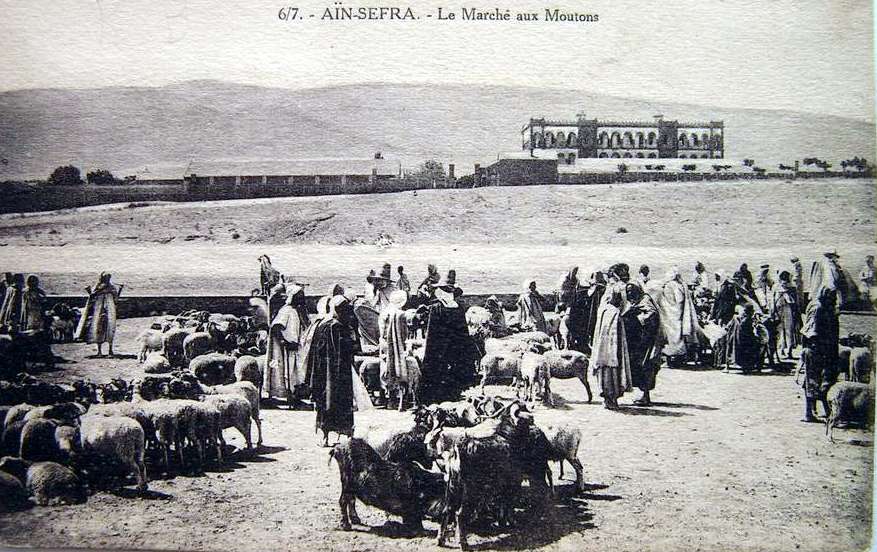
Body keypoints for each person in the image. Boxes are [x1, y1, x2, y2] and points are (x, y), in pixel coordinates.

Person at [415, 270, 476, 405]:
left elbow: (432, 335)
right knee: (453, 371)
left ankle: (434, 397)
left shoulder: (437, 308)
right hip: (456, 349)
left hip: (439, 349)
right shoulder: (459, 308)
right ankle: (453, 394)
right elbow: (464, 334)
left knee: (436, 371)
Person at [306, 295, 358, 447]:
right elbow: (345, 349)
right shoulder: (337, 327)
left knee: (327, 402)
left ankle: (326, 436)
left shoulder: (323, 324)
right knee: (339, 401)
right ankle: (345, 434)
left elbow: (316, 351)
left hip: (325, 373)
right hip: (338, 373)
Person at [800, 286, 839, 422]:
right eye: (832, 298)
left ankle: (815, 412)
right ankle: (810, 413)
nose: (834, 301)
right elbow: (811, 332)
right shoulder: (819, 309)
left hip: (818, 350)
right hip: (816, 350)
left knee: (815, 381)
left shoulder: (824, 308)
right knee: (814, 382)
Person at [266, 283, 311, 405]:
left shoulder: (297, 311)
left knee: (295, 373)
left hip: (295, 348)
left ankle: (295, 396)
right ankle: (289, 397)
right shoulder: (286, 311)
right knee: (288, 373)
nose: (302, 298)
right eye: (299, 296)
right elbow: (276, 328)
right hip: (287, 348)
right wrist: (284, 342)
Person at [589, 289, 631, 410]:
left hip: (603, 349)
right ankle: (611, 400)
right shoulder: (614, 312)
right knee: (612, 376)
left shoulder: (602, 310)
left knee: (605, 375)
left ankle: (608, 399)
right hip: (613, 349)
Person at [623, 283, 662, 406]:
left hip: (647, 341)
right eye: (627, 291)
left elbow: (652, 315)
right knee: (640, 368)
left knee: (646, 367)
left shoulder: (645, 300)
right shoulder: (637, 301)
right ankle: (644, 395)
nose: (629, 294)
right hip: (639, 341)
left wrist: (639, 318)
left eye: (631, 290)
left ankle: (645, 396)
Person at [656, 267, 699, 364]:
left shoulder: (670, 285)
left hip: (671, 314)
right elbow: (680, 300)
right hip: (676, 313)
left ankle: (672, 357)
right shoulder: (679, 285)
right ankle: (677, 356)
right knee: (676, 336)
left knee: (671, 336)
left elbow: (676, 300)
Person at [75, 272, 122, 357]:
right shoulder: (97, 287)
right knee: (98, 329)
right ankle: (99, 351)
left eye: (108, 278)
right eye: (106, 278)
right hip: (98, 310)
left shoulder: (112, 287)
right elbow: (92, 297)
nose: (107, 280)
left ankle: (110, 350)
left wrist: (115, 295)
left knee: (110, 329)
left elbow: (115, 299)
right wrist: (94, 292)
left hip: (110, 310)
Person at [378, 289, 411, 400]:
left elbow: (381, 331)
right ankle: (403, 396)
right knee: (400, 367)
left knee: (386, 367)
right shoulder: (401, 315)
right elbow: (404, 335)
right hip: (396, 346)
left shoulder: (384, 312)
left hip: (384, 344)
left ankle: (389, 396)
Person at [558, 267, 589, 352]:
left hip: (573, 305)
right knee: (566, 326)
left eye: (576, 271)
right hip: (568, 305)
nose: (575, 273)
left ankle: (573, 343)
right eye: (574, 271)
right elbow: (563, 292)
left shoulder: (576, 279)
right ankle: (565, 344)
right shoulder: (565, 280)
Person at [772, 271, 801, 359]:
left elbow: (795, 302)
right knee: (780, 331)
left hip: (788, 311)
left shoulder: (792, 288)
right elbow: (773, 301)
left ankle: (788, 351)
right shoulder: (776, 288)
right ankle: (782, 350)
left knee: (789, 331)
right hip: (779, 311)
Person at [724, 304, 761, 373]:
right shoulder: (747, 320)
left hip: (735, 339)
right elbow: (749, 333)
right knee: (758, 343)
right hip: (743, 341)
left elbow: (727, 327)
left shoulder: (736, 318)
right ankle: (751, 365)